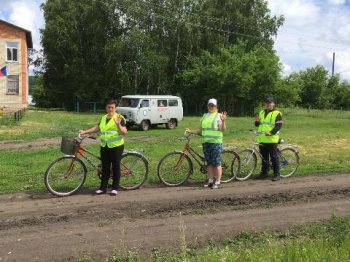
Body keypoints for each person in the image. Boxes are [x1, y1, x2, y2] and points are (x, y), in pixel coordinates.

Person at [79, 100, 127, 195]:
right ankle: (103, 188)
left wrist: (118, 125)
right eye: (108, 107)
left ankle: (114, 188)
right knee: (105, 167)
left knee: (115, 167)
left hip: (116, 146)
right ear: (106, 107)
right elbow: (97, 128)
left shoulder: (119, 118)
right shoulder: (104, 117)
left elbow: (124, 132)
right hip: (104, 146)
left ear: (115, 108)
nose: (110, 109)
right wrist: (84, 131)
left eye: (112, 107)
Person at [186, 98, 227, 189]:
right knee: (209, 163)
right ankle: (210, 181)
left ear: (216, 106)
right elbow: (201, 130)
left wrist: (223, 121)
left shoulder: (219, 116)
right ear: (207, 106)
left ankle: (217, 181)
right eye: (210, 105)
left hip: (216, 143)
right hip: (206, 143)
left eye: (213, 105)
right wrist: (191, 131)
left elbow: (222, 129)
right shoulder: (204, 116)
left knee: (216, 163)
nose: (211, 107)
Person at [255, 97, 283, 181]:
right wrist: (256, 121)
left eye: (270, 103)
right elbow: (258, 125)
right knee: (264, 158)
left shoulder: (277, 113)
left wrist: (271, 132)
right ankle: (264, 173)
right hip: (262, 139)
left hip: (272, 139)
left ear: (273, 104)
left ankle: (277, 174)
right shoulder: (261, 112)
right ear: (265, 104)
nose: (268, 104)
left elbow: (278, 126)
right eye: (267, 103)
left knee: (274, 157)